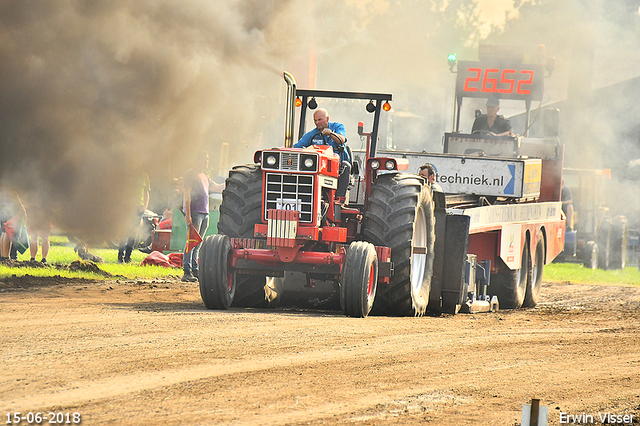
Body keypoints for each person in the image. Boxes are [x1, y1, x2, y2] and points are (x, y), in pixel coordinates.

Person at [181, 152, 225, 282]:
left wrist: (230, 182)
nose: (207, 162)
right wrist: (188, 214)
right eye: (205, 159)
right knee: (191, 241)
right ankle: (186, 270)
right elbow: (187, 196)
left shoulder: (205, 176)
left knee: (198, 242)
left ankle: (195, 269)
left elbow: (217, 188)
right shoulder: (190, 174)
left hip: (205, 213)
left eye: (207, 159)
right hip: (195, 212)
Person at [294, 108, 350, 202]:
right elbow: (297, 147)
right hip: (318, 167)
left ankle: (339, 198)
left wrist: (331, 133)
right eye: (315, 120)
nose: (317, 123)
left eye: (319, 120)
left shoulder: (337, 127)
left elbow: (342, 140)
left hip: (337, 166)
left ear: (327, 118)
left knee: (346, 166)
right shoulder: (312, 134)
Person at [118, 173, 151, 263]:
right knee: (124, 231)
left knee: (134, 233)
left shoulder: (144, 176)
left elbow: (146, 192)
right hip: (127, 207)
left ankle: (128, 257)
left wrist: (145, 206)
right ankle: (120, 256)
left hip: (138, 208)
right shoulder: (128, 173)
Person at [26, 194, 54, 264]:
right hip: (34, 211)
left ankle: (43, 259)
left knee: (44, 236)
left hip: (45, 211)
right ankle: (33, 258)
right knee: (34, 236)